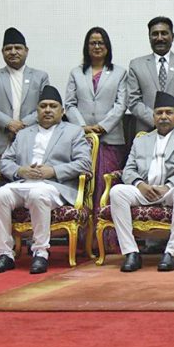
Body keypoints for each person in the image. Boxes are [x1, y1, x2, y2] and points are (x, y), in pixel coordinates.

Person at [0, 86, 92, 275]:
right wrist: (21, 170)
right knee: (0, 195)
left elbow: (84, 163)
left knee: (38, 194)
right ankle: (4, 254)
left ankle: (40, 253)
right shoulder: (24, 133)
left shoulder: (74, 132)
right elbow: (5, 162)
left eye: (53, 106)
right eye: (43, 106)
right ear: (37, 111)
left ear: (62, 111)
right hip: (22, 183)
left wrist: (52, 171)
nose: (48, 110)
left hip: (54, 186)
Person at [109, 92, 174, 272]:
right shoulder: (141, 140)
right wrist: (139, 185)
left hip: (170, 191)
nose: (164, 117)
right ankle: (131, 253)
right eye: (159, 113)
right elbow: (128, 170)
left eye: (169, 112)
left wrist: (167, 186)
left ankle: (171, 252)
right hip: (145, 190)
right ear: (153, 117)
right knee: (117, 192)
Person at [64, 26, 127, 253]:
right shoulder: (76, 73)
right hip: (82, 140)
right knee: (85, 186)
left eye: (101, 43)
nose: (97, 46)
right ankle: (85, 240)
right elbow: (69, 103)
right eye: (93, 43)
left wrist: (102, 126)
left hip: (110, 138)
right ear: (86, 47)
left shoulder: (119, 73)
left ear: (108, 46)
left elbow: (121, 104)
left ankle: (110, 240)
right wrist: (83, 127)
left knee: (106, 186)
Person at [0, 27, 50, 173]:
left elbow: (45, 107)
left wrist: (23, 124)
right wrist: (9, 123)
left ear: (26, 50)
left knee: (29, 180)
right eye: (8, 48)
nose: (13, 52)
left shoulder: (40, 76)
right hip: (1, 140)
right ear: (2, 52)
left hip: (31, 139)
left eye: (17, 48)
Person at [126, 16, 174, 132]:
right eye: (155, 34)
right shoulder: (136, 65)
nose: (159, 38)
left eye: (164, 33)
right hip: (147, 133)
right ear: (149, 37)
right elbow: (133, 100)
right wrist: (157, 120)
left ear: (172, 36)